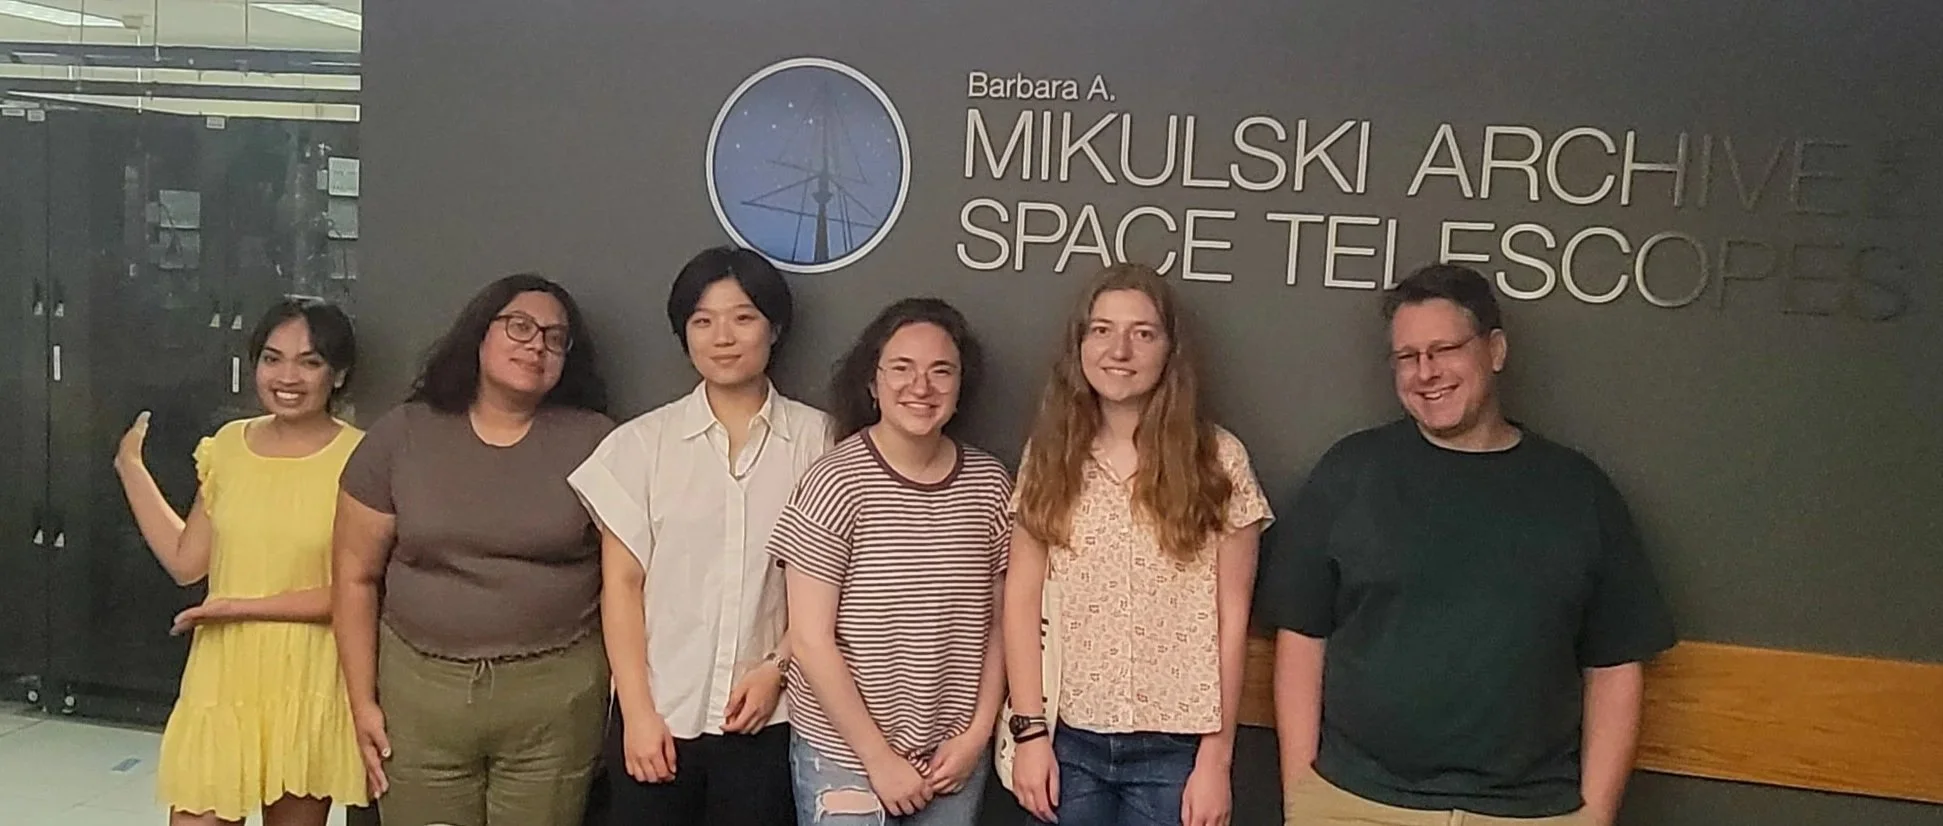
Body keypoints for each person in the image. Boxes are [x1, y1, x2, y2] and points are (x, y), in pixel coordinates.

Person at [1257, 263, 1677, 826]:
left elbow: (1616, 665)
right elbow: (1302, 637)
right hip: (1354, 804)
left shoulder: (1579, 492)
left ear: (1495, 350)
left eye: (1445, 350)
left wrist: (1594, 816)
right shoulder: (1350, 473)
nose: (1426, 372)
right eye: (1407, 357)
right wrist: (1302, 795)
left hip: (1528, 813)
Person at [332, 273, 616, 826]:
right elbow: (353, 576)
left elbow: (628, 582)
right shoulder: (401, 435)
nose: (536, 345)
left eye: (555, 338)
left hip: (555, 702)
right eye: (520, 327)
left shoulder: (598, 442)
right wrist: (361, 701)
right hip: (419, 695)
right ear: (479, 334)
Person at [567, 246, 832, 825]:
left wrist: (778, 668)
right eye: (703, 321)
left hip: (771, 719)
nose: (723, 337)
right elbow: (622, 586)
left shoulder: (821, 443)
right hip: (661, 717)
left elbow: (836, 584)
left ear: (774, 328)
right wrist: (637, 713)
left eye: (743, 317)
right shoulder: (640, 446)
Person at [1002, 263, 1272, 826]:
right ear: (1079, 345)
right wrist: (1029, 735)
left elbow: (1231, 617)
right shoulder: (1050, 454)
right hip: (1067, 741)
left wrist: (1216, 760)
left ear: (1171, 350)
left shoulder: (1219, 459)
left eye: (1142, 333)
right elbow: (1021, 600)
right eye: (1101, 330)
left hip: (1176, 751)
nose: (1119, 350)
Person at [113, 297, 369, 826]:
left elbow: (358, 590)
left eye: (309, 362)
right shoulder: (228, 446)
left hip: (308, 673)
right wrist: (130, 467)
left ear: (339, 374)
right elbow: (187, 562)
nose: (287, 377)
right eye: (272, 359)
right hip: (222, 674)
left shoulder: (361, 459)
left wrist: (240, 607)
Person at [767, 298, 1012, 826]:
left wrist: (976, 735)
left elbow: (1000, 624)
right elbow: (810, 639)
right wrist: (878, 759)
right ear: (873, 383)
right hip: (843, 755)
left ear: (961, 386)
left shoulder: (990, 485)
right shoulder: (834, 482)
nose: (921, 386)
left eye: (941, 371)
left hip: (951, 758)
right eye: (901, 368)